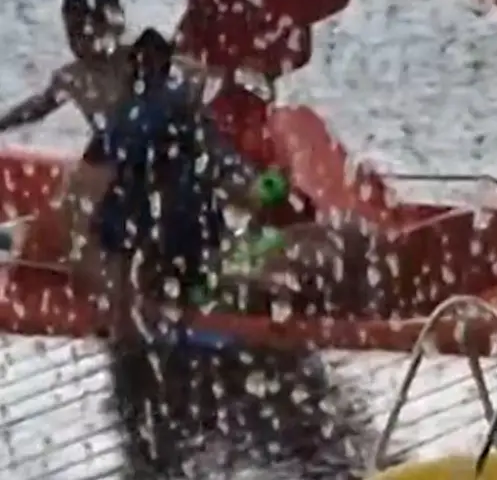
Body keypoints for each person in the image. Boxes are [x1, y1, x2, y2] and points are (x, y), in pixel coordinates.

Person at [73, 28, 377, 480]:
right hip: (188, 286)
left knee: (307, 249)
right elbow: (245, 190)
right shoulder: (175, 129)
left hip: (179, 282)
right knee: (317, 249)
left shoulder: (135, 130)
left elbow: (86, 212)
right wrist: (277, 187)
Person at [0, 0, 212, 136]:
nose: (80, 40)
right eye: (73, 32)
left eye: (88, 29)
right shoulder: (74, 78)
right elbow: (38, 107)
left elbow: (197, 74)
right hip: (117, 156)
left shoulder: (141, 56)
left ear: (116, 24)